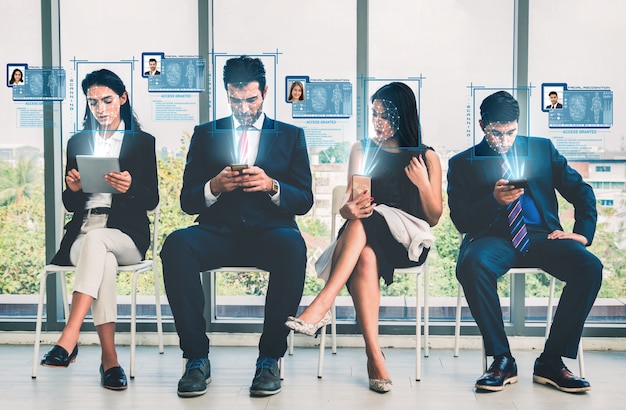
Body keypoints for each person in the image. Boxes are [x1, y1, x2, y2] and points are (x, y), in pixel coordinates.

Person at [160, 55, 313, 398]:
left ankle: (269, 358)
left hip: (270, 233)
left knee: (293, 246)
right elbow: (187, 202)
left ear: (265, 92)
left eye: (250, 99)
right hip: (218, 233)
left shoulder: (290, 136)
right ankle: (196, 358)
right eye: (235, 100)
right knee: (176, 245)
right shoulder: (205, 134)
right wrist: (214, 187)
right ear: (226, 94)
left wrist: (272, 186)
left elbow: (304, 199)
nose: (243, 107)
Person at [285, 82, 442, 393]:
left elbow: (434, 218)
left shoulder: (427, 157)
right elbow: (346, 209)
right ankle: (374, 355)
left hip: (406, 242)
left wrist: (423, 184)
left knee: (366, 225)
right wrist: (350, 210)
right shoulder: (361, 149)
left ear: (403, 117)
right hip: (363, 240)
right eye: (374, 115)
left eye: (385, 116)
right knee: (364, 248)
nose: (377, 122)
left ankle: (322, 304)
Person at [447, 90, 602, 393]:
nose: (504, 140)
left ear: (518, 125)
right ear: (482, 125)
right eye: (496, 132)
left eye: (511, 132)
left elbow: (582, 191)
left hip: (543, 237)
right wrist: (493, 200)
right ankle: (502, 360)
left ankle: (552, 361)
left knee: (589, 267)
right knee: (471, 264)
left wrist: (582, 232)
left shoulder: (542, 149)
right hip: (493, 240)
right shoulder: (462, 163)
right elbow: (461, 221)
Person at [39, 69, 159, 391]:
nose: (101, 109)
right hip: (83, 233)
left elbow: (151, 199)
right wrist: (75, 188)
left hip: (126, 235)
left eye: (107, 100)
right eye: (93, 103)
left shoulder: (142, 143)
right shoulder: (77, 141)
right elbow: (68, 202)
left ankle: (69, 337)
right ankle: (110, 360)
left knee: (101, 243)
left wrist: (131, 186)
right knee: (98, 253)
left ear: (122, 98)